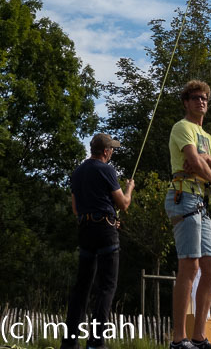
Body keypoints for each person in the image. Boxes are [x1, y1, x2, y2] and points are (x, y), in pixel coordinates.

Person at [165, 80, 211, 349]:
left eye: (204, 98)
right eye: (194, 97)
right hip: (184, 196)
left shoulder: (207, 137)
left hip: (200, 202)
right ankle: (179, 339)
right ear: (186, 102)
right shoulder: (182, 127)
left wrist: (207, 162)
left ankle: (199, 336)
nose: (200, 101)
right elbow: (192, 160)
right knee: (189, 266)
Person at [62, 133, 135, 349]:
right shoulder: (107, 169)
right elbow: (123, 203)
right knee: (106, 287)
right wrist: (129, 187)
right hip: (105, 233)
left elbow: (76, 209)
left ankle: (69, 343)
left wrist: (107, 217)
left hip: (85, 229)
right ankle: (96, 342)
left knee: (81, 288)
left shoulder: (77, 172)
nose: (112, 151)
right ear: (105, 151)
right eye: (111, 148)